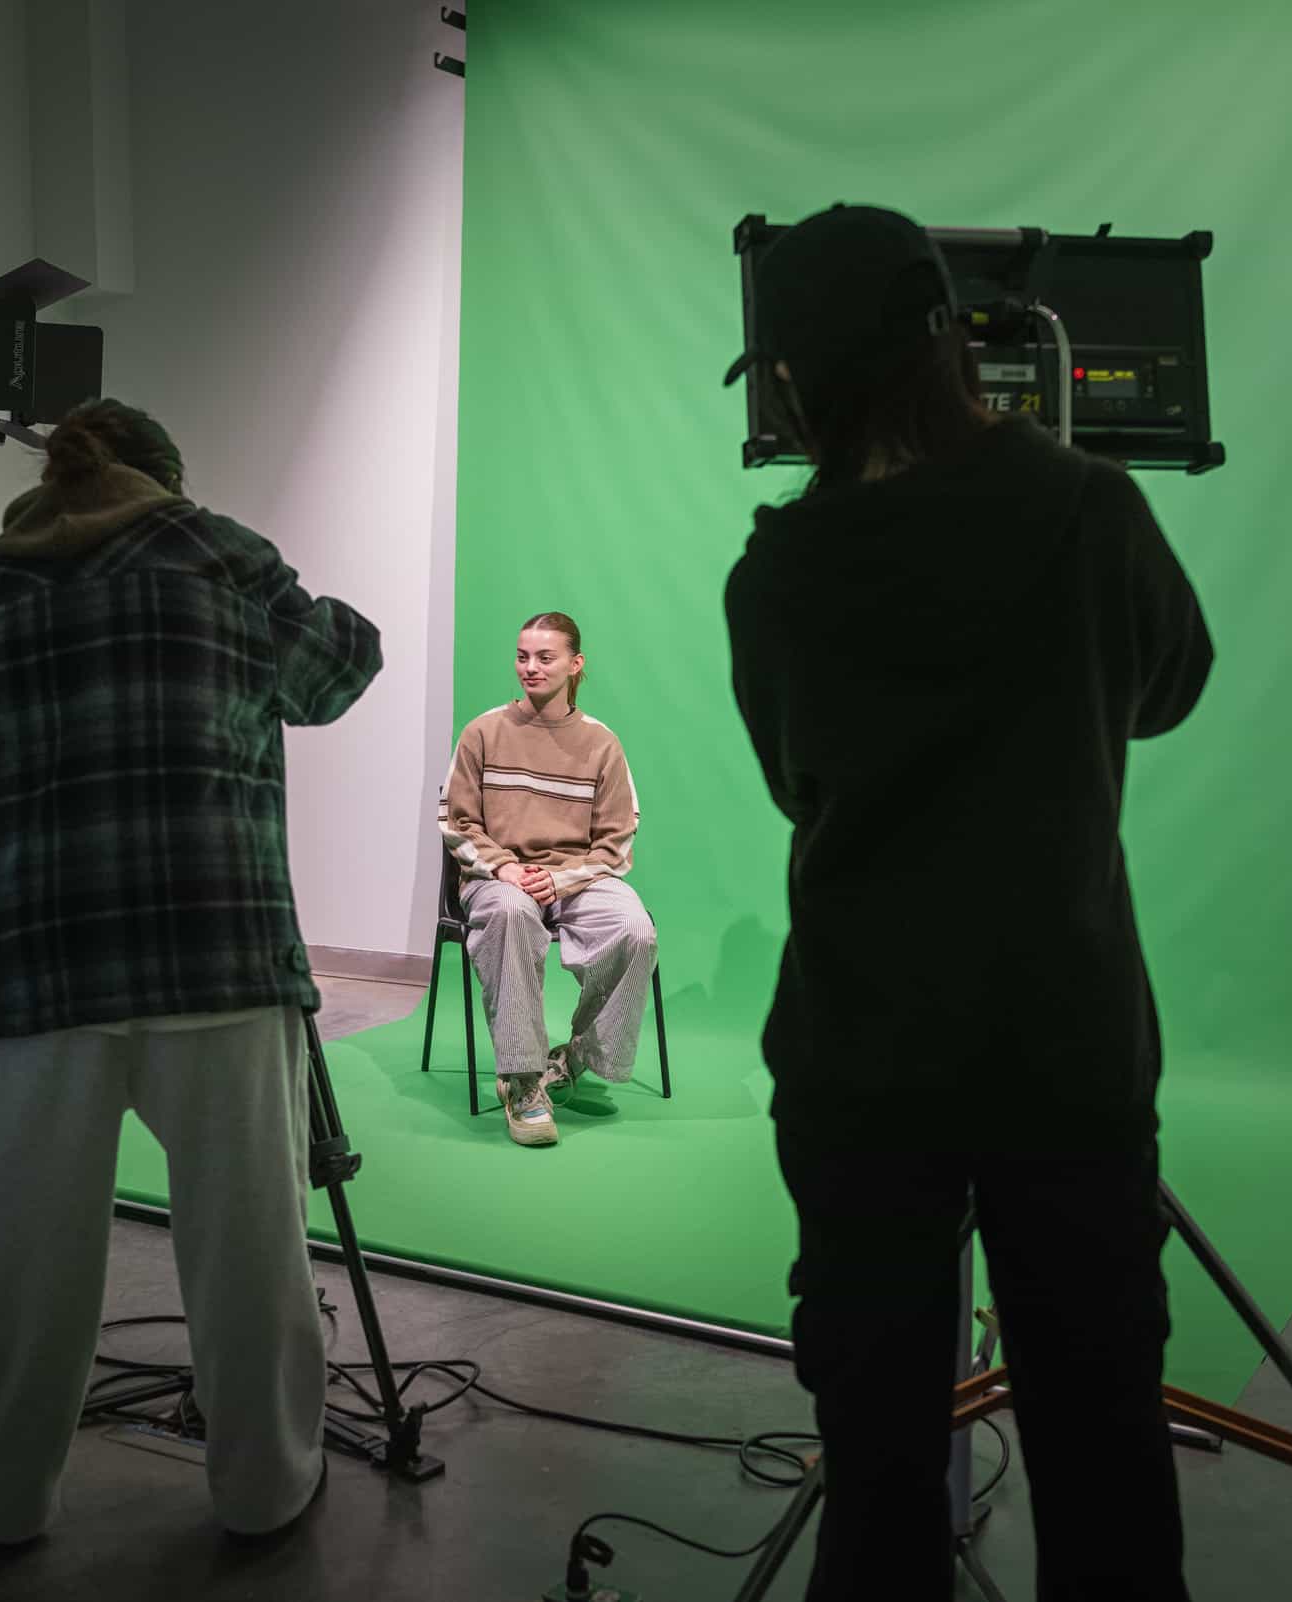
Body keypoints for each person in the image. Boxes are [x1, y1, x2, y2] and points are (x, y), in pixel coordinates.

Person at [721, 205, 1213, 1601]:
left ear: (796, 382)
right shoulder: (1089, 507)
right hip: (1064, 1050)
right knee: (1104, 1445)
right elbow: (1172, 684)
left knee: (876, 1464)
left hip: (861, 1060)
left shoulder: (777, 573)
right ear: (952, 342)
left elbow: (793, 783)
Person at [0, 399, 382, 1548]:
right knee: (250, 1251)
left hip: (33, 970)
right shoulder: (216, 552)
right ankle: (267, 1490)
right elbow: (335, 670)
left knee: (16, 1263)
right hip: (213, 949)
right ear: (164, 479)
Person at [438, 612, 657, 1147]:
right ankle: (522, 1079)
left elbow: (617, 840)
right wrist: (505, 867)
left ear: (574, 664)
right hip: (499, 877)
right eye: (522, 656)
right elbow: (454, 819)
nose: (529, 667)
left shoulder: (602, 744)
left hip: (574, 880)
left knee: (634, 927)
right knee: (511, 912)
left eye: (544, 657)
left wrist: (562, 882)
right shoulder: (483, 731)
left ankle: (573, 1057)